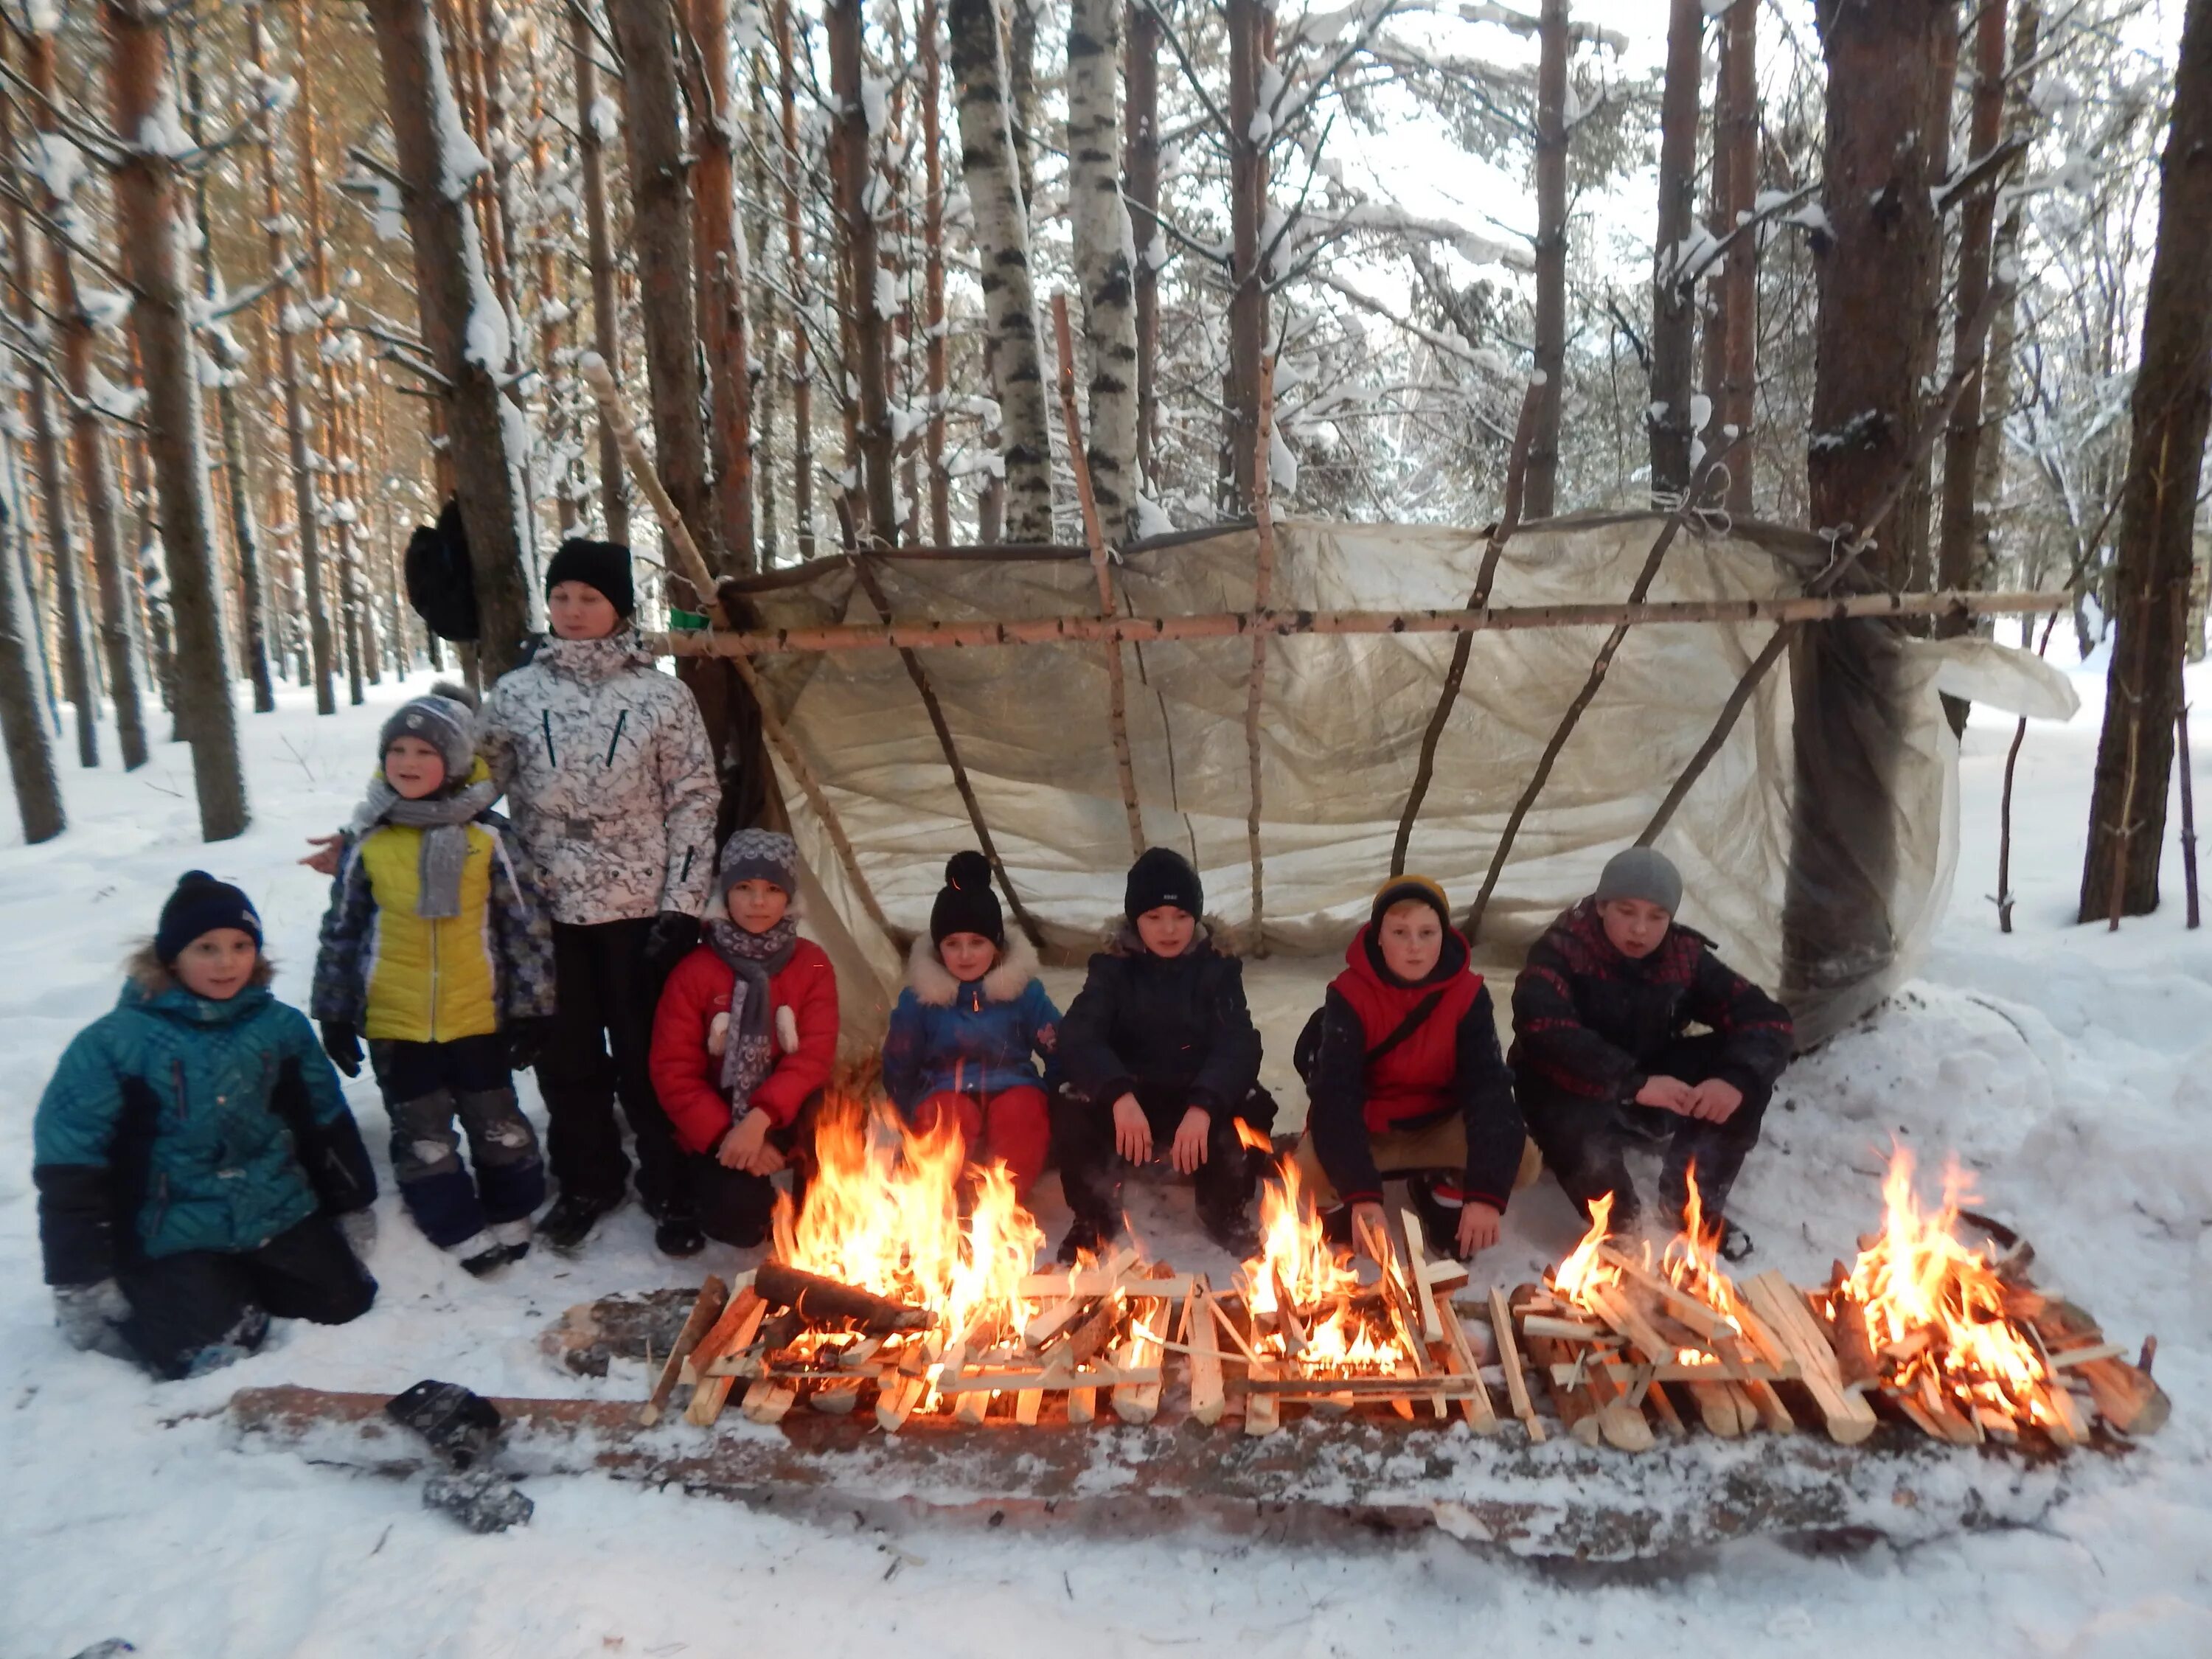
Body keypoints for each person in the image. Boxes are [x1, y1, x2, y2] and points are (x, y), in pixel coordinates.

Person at [474, 538, 720, 1255]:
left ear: (620, 607)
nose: (573, 610)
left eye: (590, 597)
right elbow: (471, 785)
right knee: (567, 1057)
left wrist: (682, 904)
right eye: (561, 597)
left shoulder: (661, 696)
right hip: (546, 908)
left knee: (651, 1056)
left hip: (640, 907)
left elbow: (695, 799)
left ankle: (670, 1185)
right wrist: (385, 823)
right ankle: (589, 1181)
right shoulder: (516, 694)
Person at [33, 874, 378, 1380]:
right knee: (207, 1353)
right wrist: (78, 1275)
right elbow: (71, 1162)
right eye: (206, 948)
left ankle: (244, 1282)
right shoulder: (113, 1043)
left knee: (344, 1303)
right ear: (171, 957)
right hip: (170, 1227)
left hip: (274, 1207)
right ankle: (169, 1298)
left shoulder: (280, 1027)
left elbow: (322, 1121)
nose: (226, 963)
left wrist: (351, 1202)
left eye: (241, 946)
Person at [311, 684, 556, 1276]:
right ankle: (453, 1223)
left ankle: (513, 1204)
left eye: (425, 752)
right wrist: (335, 1012)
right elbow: (342, 929)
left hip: (478, 1016)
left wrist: (533, 1008)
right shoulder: (369, 838)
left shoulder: (488, 836)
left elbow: (525, 928)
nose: (408, 762)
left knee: (497, 1121)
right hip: (396, 1021)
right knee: (423, 1134)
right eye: (397, 750)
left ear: (455, 759)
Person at [1510, 846, 1794, 1259]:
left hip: (1651, 1075)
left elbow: (1768, 1020)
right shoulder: (1561, 952)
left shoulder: (1682, 957)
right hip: (1573, 1087)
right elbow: (1544, 1030)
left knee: (1747, 1071)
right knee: (1563, 1106)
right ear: (1602, 906)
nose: (1640, 929)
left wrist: (1735, 1080)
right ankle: (1617, 1224)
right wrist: (1634, 1083)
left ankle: (1691, 1203)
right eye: (1626, 912)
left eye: (1656, 917)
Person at [1051, 846, 1275, 1262]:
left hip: (1195, 1096)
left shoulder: (1217, 968)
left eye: (1181, 916)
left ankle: (1224, 1209)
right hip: (1134, 1099)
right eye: (1154, 917)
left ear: (1197, 917)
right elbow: (1079, 1034)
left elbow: (1239, 1043)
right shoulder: (1113, 968)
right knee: (1070, 1104)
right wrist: (1117, 1094)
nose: (1169, 929)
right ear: (1135, 920)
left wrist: (1205, 1105)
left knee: (1251, 1106)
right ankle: (1094, 1216)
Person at [1292, 876, 1523, 1261]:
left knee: (1523, 1160)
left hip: (1437, 1124)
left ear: (1444, 936)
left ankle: (1444, 1188)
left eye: (1427, 933)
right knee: (1306, 1172)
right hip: (1372, 1127)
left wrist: (1485, 1195)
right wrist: (1362, 1194)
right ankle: (1343, 1204)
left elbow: (1489, 1090)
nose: (1415, 946)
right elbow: (1336, 1096)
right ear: (1379, 937)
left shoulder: (1468, 995)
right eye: (1400, 932)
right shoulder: (1350, 995)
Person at [648, 830, 840, 1249]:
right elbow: (674, 1072)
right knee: (740, 1223)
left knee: (835, 1118)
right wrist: (730, 1136)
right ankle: (709, 1183)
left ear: (789, 896)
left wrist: (760, 1121)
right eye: (744, 888)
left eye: (772, 889)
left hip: (782, 1107)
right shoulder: (695, 971)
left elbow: (813, 1056)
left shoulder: (811, 963)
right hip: (718, 1114)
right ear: (725, 893)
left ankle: (815, 1206)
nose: (758, 902)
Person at [881, 852, 1060, 1203]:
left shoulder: (1023, 992)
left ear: (996, 945)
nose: (965, 955)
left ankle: (1004, 1204)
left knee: (1022, 1112)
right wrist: (907, 1116)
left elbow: (1059, 1047)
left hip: (1013, 1086)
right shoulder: (922, 1000)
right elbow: (899, 1063)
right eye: (953, 944)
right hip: (945, 1090)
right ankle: (942, 1197)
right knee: (947, 1117)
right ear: (939, 948)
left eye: (977, 942)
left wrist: (1056, 1102)